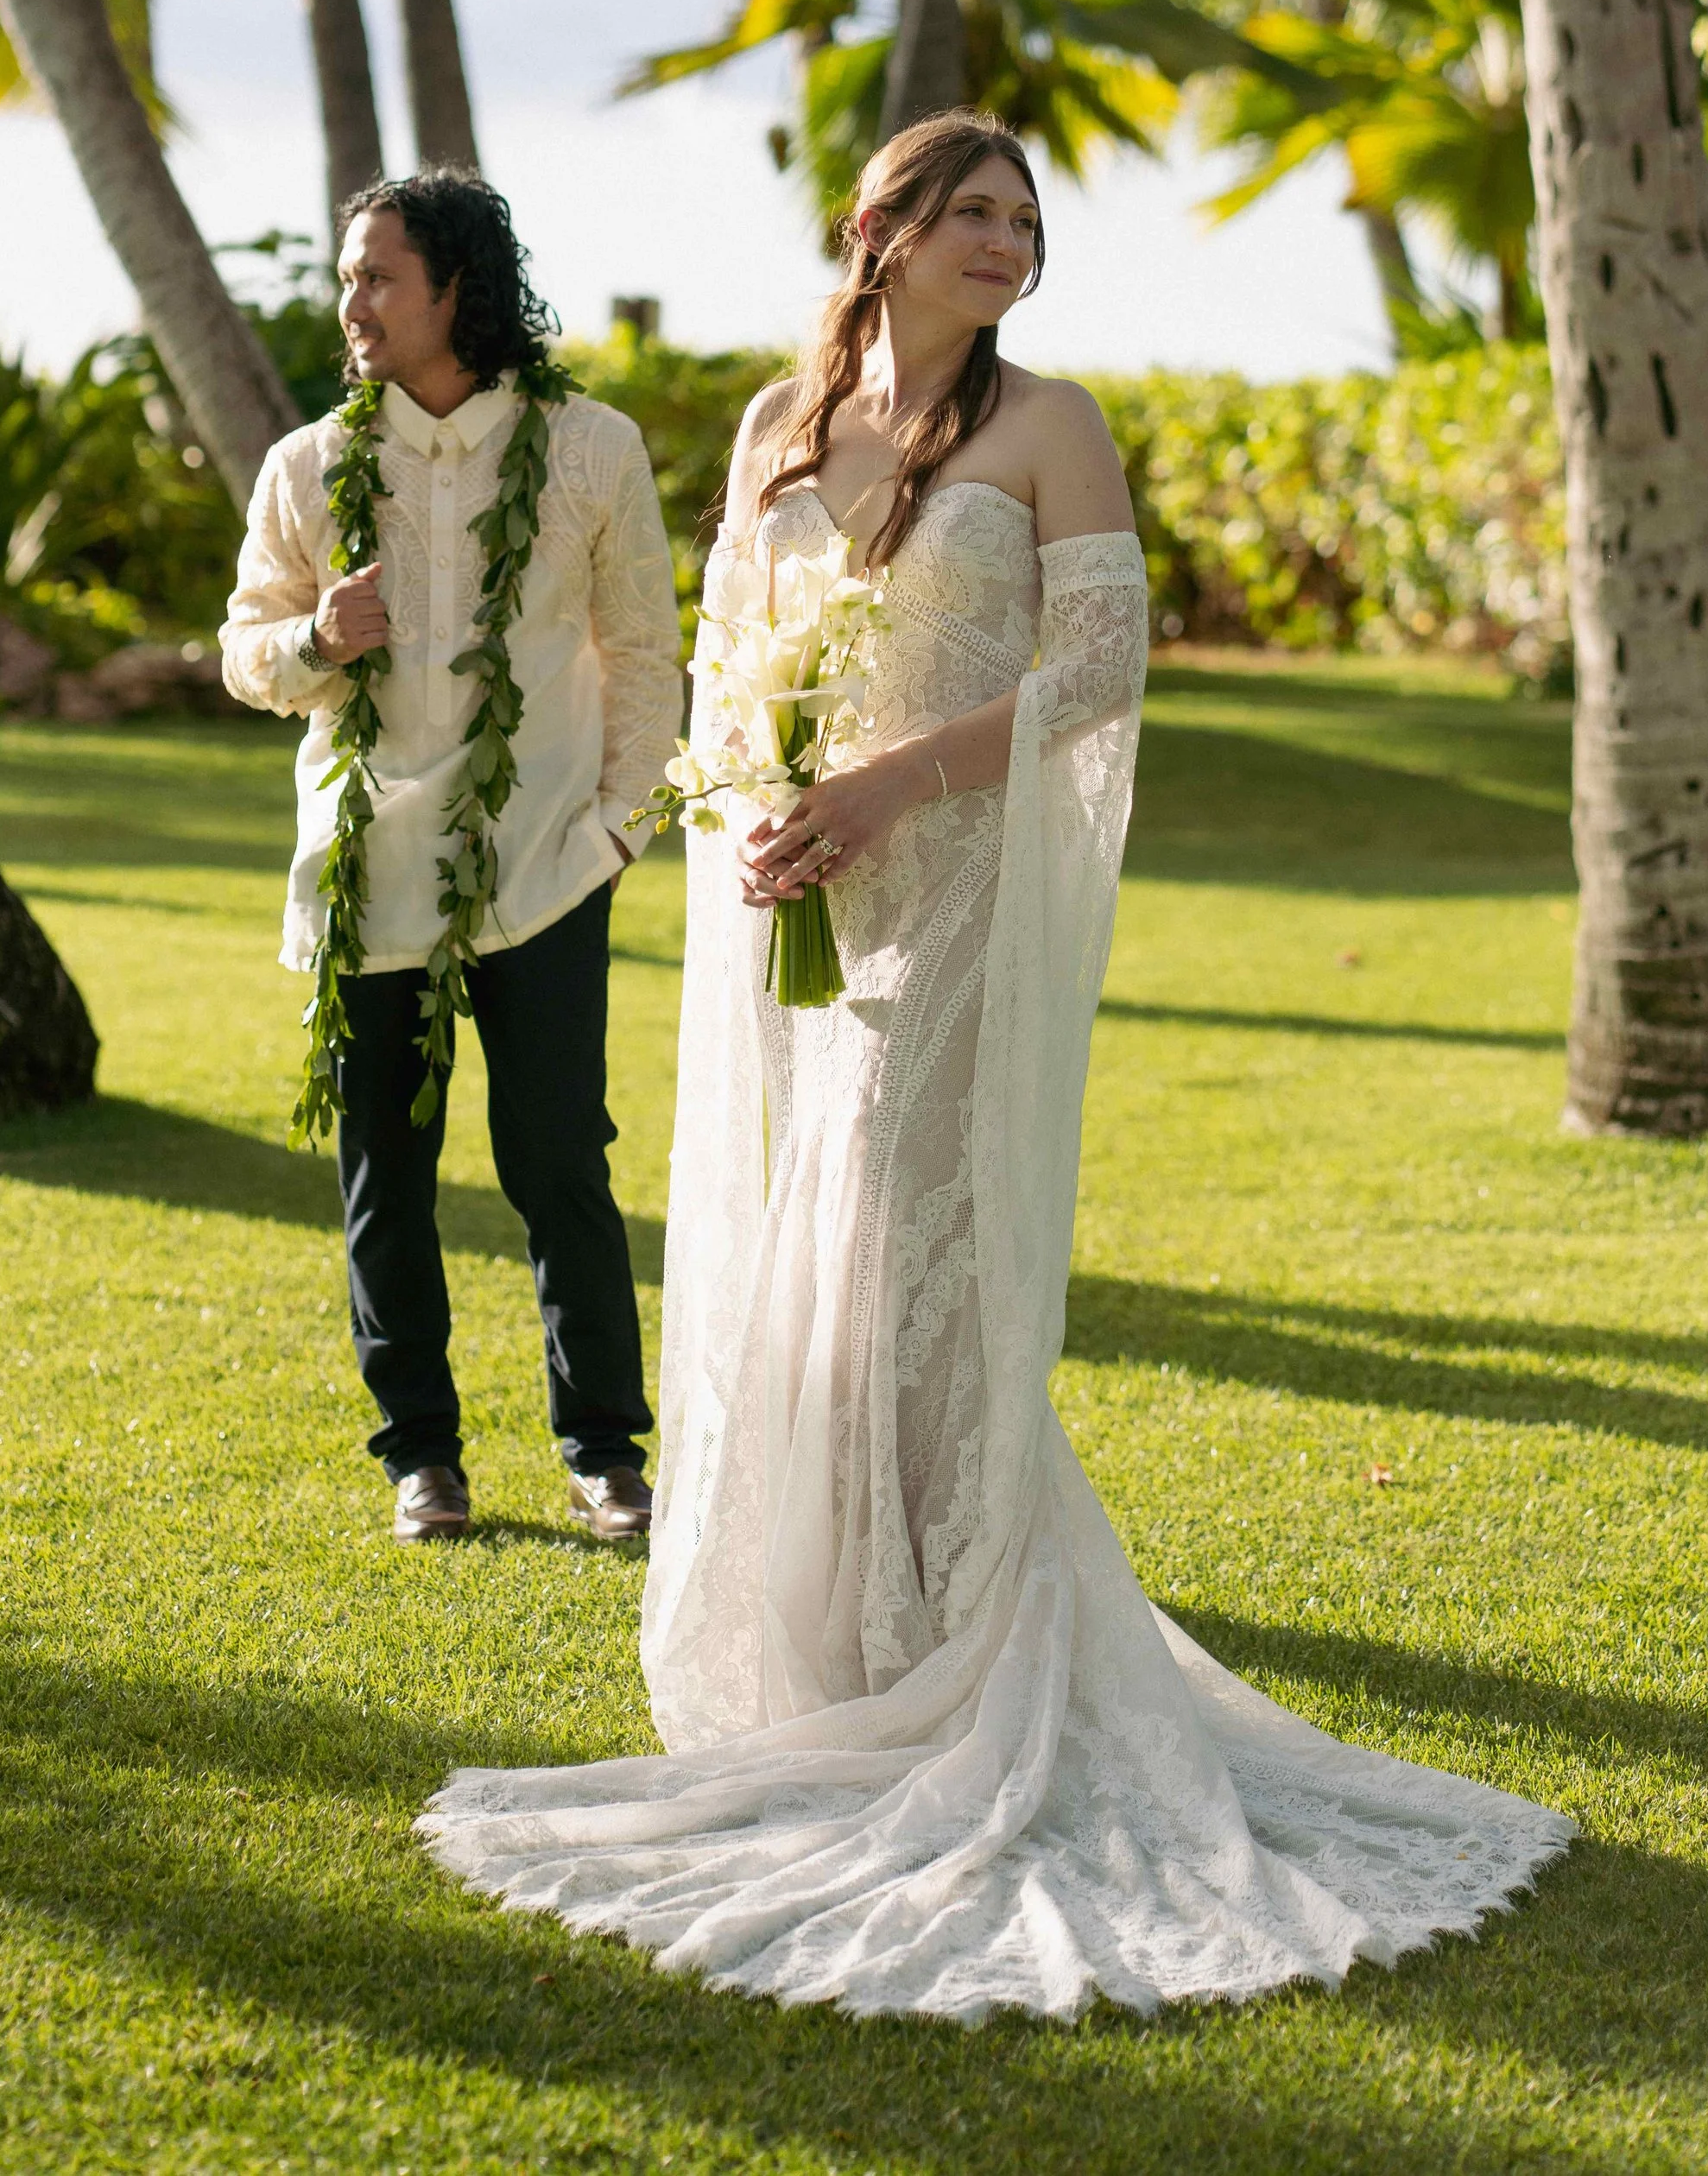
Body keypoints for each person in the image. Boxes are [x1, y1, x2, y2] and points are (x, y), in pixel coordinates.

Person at [419, 110, 1573, 2019]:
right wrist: (762, 801)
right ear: (876, 232)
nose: (1005, 245)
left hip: (953, 895)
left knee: (899, 1244)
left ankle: (947, 1648)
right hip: (805, 895)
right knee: (816, 1259)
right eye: (968, 213)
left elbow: (1099, 675)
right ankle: (831, 1661)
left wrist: (882, 783)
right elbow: (723, 660)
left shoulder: (1053, 428)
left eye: (1024, 221)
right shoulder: (779, 429)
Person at [220, 170, 681, 1547]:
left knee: (559, 1164)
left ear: (457, 290)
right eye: (348, 277)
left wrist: (617, 825)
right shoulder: (307, 463)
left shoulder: (593, 447)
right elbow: (245, 652)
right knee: (388, 1173)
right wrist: (318, 642)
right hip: (371, 873)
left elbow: (646, 650)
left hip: (545, 862)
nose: (349, 303)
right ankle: (421, 1455)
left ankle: (605, 1452)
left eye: (377, 277)